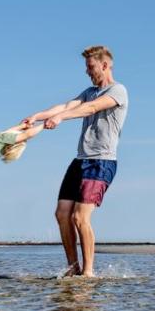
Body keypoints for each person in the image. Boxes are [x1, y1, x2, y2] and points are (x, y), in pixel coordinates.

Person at [23, 45, 129, 277]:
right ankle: (73, 268)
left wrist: (60, 118)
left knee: (80, 217)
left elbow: (89, 109)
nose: (87, 72)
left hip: (101, 161)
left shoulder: (118, 91)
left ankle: (88, 272)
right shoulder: (89, 91)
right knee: (62, 214)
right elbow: (67, 105)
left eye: (90, 67)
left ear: (105, 65)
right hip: (80, 161)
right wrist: (37, 116)